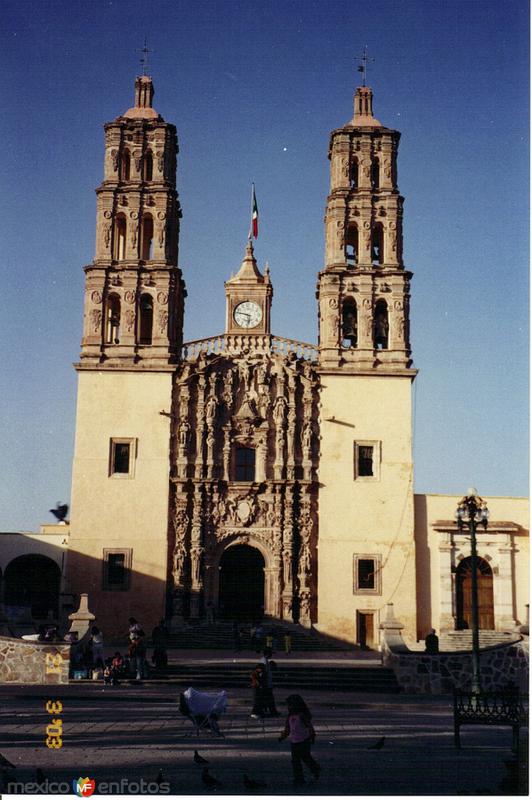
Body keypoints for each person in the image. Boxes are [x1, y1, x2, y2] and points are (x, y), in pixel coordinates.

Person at [278, 694, 320, 787]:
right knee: (295, 761)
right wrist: (282, 736)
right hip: (294, 742)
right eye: (288, 705)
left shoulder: (301, 716)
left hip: (304, 740)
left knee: (306, 757)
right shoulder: (290, 717)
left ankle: (315, 768)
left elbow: (309, 727)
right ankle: (299, 778)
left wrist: (312, 736)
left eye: (291, 705)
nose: (289, 707)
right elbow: (287, 729)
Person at [260, 648, 279, 716]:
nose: (271, 655)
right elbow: (263, 674)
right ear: (268, 654)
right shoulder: (265, 662)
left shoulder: (265, 661)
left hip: (266, 684)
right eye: (271, 653)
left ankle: (271, 711)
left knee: (268, 699)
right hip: (266, 684)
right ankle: (272, 712)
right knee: (270, 699)